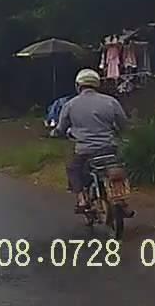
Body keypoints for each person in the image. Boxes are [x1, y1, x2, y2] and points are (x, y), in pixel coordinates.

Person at [52, 68, 129, 212]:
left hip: (85, 151)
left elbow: (60, 128)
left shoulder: (70, 105)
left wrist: (55, 133)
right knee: (116, 168)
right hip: (109, 148)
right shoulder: (111, 101)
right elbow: (123, 124)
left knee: (73, 169)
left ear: (78, 85)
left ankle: (81, 199)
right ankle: (121, 200)